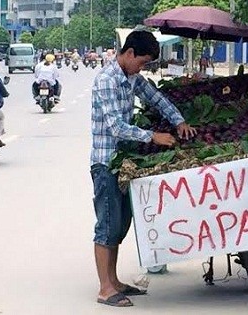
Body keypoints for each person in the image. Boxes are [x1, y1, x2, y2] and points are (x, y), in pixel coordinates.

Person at [90, 30, 196, 307]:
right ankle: (105, 289)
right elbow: (117, 127)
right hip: (105, 163)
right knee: (107, 226)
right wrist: (153, 136)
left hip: (125, 162)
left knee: (121, 224)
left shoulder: (131, 77)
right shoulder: (106, 80)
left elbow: (155, 98)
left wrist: (179, 120)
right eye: (142, 62)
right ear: (129, 54)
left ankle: (114, 282)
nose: (143, 68)